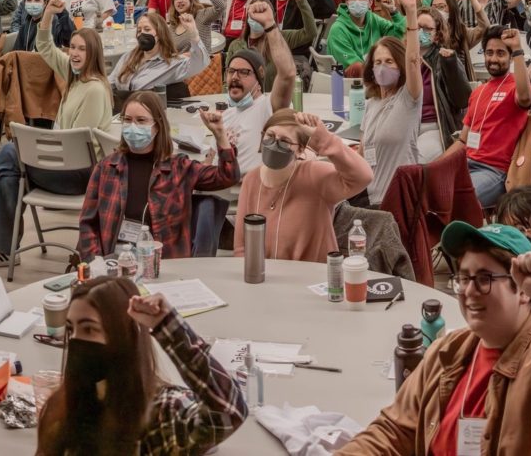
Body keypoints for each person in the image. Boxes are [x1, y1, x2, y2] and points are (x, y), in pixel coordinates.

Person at [335, 222, 531, 456]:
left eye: (484, 278)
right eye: (463, 278)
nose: (469, 291)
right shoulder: (448, 352)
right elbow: (394, 431)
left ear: (524, 290)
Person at [35, 276, 247, 455]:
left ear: (124, 336)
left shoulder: (163, 413)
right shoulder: (59, 407)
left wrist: (170, 328)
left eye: (89, 329)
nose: (76, 340)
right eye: (70, 330)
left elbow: (228, 412)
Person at [0, 13, 113, 269]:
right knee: (10, 176)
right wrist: (47, 14)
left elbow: (77, 146)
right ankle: (4, 251)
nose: (75, 53)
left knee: (11, 152)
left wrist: (39, 146)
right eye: (73, 47)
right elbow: (44, 45)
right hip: (62, 164)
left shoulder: (94, 89)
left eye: (82, 49)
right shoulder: (74, 75)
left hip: (80, 173)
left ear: (93, 54)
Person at [75, 91, 236, 259]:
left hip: (162, 261)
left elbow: (228, 176)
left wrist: (220, 135)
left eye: (141, 120)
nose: (133, 126)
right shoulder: (106, 168)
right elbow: (88, 223)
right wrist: (96, 262)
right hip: (116, 259)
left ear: (157, 126)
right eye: (127, 120)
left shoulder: (179, 168)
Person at [234, 109, 371, 262]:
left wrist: (325, 140)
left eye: (284, 141)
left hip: (312, 274)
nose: (274, 144)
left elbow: (363, 176)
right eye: (270, 136)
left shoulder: (314, 175)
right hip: (264, 274)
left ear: (300, 150)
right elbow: (241, 247)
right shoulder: (251, 180)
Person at [461, 28, 531, 206]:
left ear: (510, 57)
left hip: (494, 171)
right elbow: (462, 140)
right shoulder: (478, 91)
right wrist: (434, 167)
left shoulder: (515, 87)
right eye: (489, 53)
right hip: (466, 164)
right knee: (428, 192)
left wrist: (517, 49)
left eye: (501, 53)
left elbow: (525, 97)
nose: (494, 59)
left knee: (459, 200)